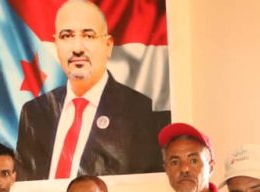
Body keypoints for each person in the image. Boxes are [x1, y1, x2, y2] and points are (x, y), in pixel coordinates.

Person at [15, 0, 165, 181]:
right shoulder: (34, 113)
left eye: (88, 36)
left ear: (108, 45)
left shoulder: (140, 112)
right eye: (66, 36)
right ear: (56, 45)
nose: (77, 49)